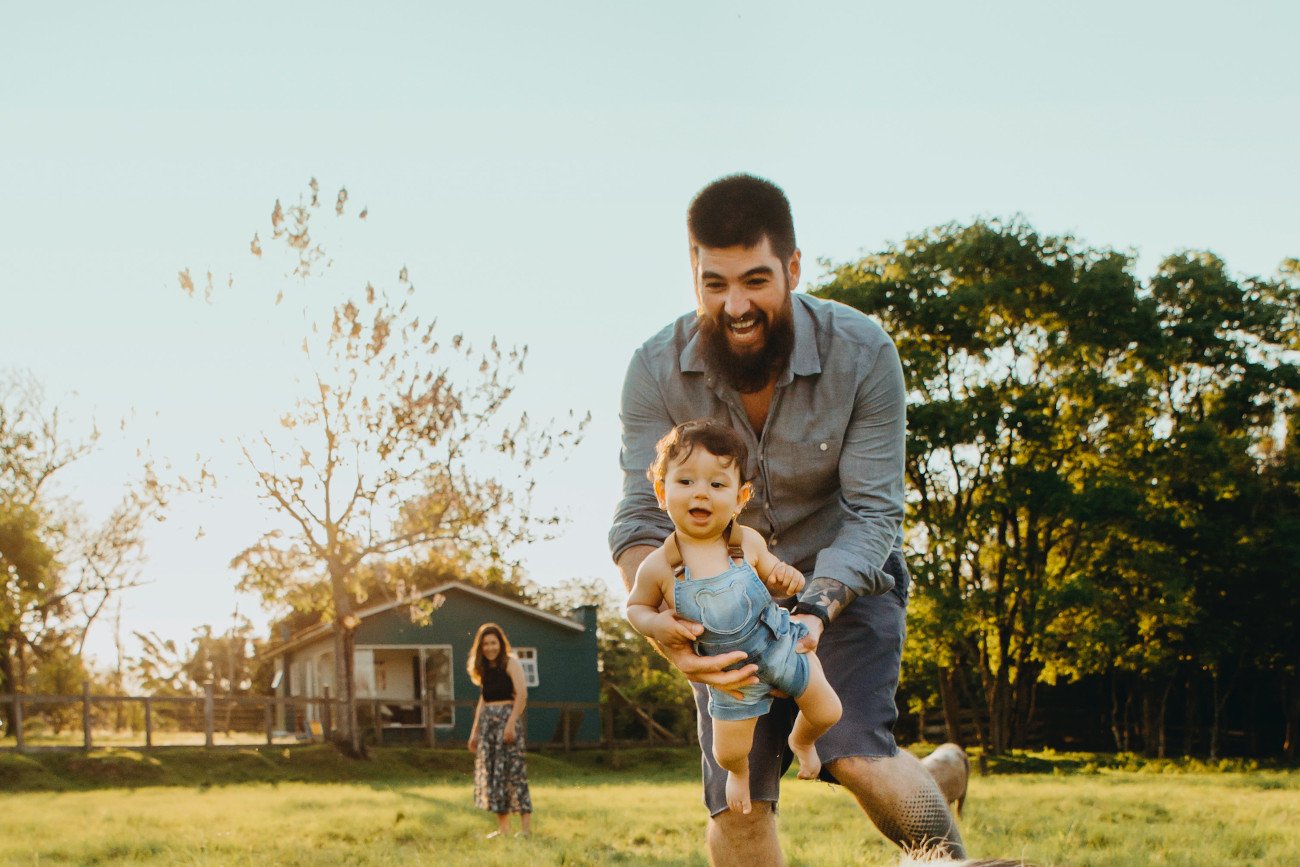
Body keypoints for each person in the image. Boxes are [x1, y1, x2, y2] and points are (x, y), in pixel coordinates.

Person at [609, 173, 966, 863]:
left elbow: (871, 514)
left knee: (856, 755)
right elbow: (637, 518)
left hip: (843, 585)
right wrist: (663, 622)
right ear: (694, 274)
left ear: (794, 268)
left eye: (755, 279)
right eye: (714, 283)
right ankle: (936, 774)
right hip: (719, 604)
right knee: (740, 804)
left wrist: (812, 614)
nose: (735, 305)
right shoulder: (654, 370)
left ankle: (937, 834)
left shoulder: (863, 354)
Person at [626, 418, 842, 816]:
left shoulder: (748, 543)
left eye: (717, 484)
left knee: (828, 710)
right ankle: (739, 773)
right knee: (728, 750)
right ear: (661, 491)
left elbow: (776, 572)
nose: (701, 494)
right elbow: (635, 607)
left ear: (740, 497)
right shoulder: (660, 566)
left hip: (778, 644)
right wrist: (656, 623)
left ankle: (803, 741)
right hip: (732, 675)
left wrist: (787, 576)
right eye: (686, 481)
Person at [466, 622, 533, 839]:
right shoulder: (484, 668)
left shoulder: (510, 663)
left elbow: (521, 694)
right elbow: (483, 701)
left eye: (493, 642)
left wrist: (511, 723)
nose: (490, 647)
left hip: (507, 721)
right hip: (489, 724)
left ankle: (525, 830)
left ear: (500, 643)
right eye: (485, 643)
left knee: (514, 773)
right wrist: (475, 731)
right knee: (494, 775)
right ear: (481, 646)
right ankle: (503, 830)